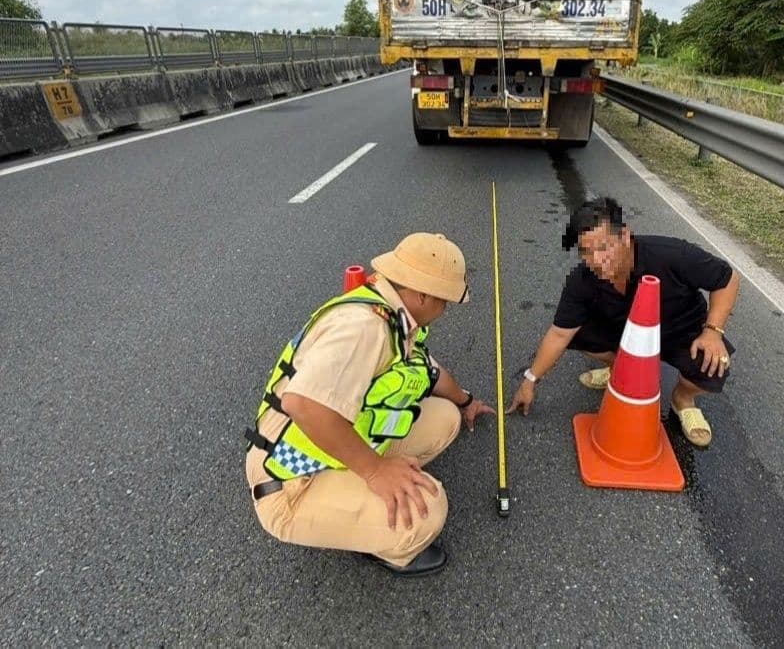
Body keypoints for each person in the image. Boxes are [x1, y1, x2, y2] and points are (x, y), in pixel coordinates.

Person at [245, 233, 494, 577]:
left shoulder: (394, 312)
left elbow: (430, 372)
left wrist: (467, 401)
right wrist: (375, 471)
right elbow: (302, 404)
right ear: (422, 294)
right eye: (444, 301)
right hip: (291, 479)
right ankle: (384, 541)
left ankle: (360, 487)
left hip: (333, 439)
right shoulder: (363, 327)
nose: (446, 309)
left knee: (445, 418)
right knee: (428, 511)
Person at [508, 197, 740, 447]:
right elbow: (559, 334)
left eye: (604, 247)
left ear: (625, 236)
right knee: (576, 332)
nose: (596, 260)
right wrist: (529, 381)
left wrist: (713, 331)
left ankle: (682, 400)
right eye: (586, 251)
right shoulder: (581, 280)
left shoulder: (671, 254)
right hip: (626, 335)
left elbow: (727, 278)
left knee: (714, 365)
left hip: (681, 331)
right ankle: (619, 370)